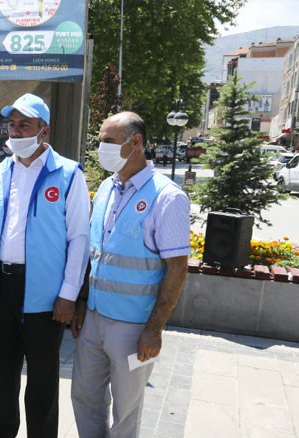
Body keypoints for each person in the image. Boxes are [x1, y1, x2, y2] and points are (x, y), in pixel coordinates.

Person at [0, 93, 90, 438]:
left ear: (44, 130)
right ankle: (3, 431)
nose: (16, 131)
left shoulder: (68, 174)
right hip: (1, 287)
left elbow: (79, 239)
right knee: (1, 373)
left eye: (25, 124)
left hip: (45, 293)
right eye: (12, 124)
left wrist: (69, 294)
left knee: (42, 378)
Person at [70, 112, 189, 437]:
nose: (101, 148)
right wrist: (81, 302)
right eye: (99, 141)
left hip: (135, 328)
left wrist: (154, 330)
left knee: (126, 409)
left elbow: (177, 268)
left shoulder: (168, 197)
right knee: (84, 396)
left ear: (135, 142)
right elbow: (94, 253)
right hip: (94, 319)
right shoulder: (106, 188)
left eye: (108, 141)